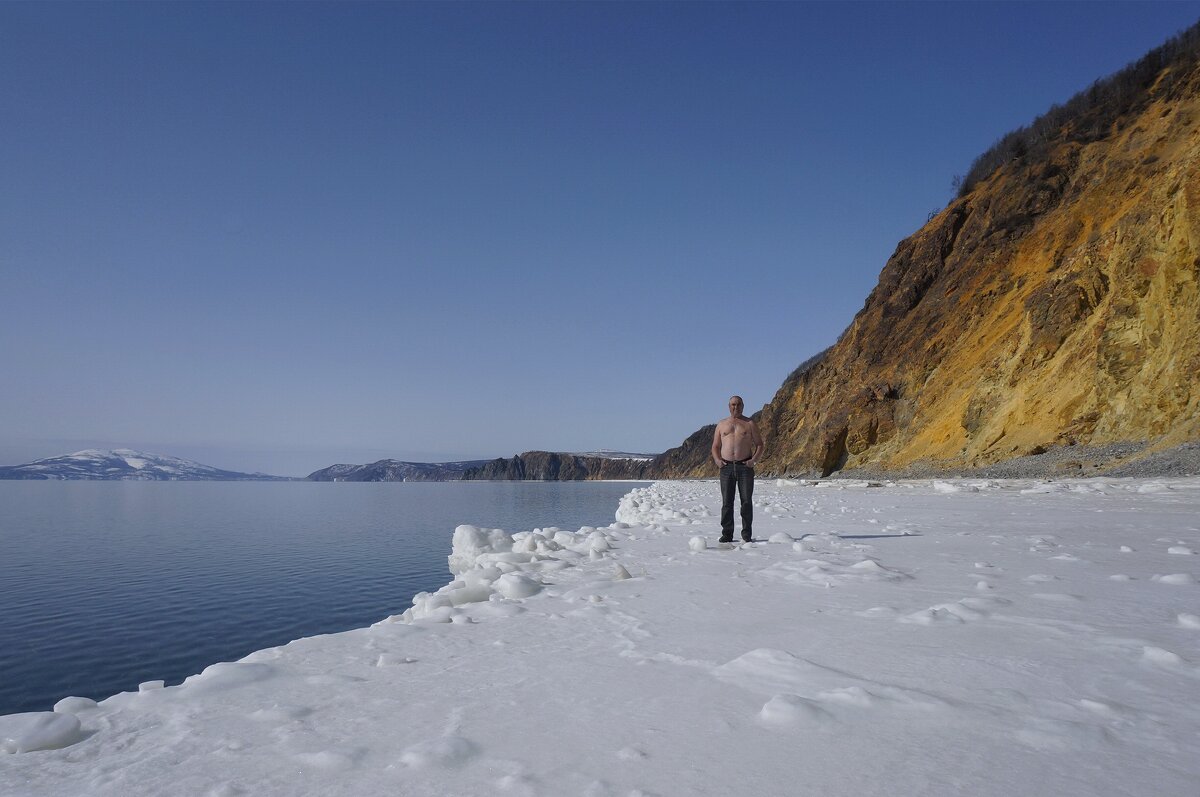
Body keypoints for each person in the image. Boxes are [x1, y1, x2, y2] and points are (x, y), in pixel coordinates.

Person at [711, 395, 765, 543]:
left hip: (744, 467)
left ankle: (746, 534)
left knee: (746, 501)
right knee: (727, 502)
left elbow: (759, 444)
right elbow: (715, 446)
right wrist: (717, 460)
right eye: (733, 405)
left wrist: (753, 460)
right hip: (726, 467)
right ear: (729, 407)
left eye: (739, 404)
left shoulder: (749, 423)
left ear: (743, 406)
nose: (736, 407)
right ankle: (727, 534)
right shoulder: (721, 425)